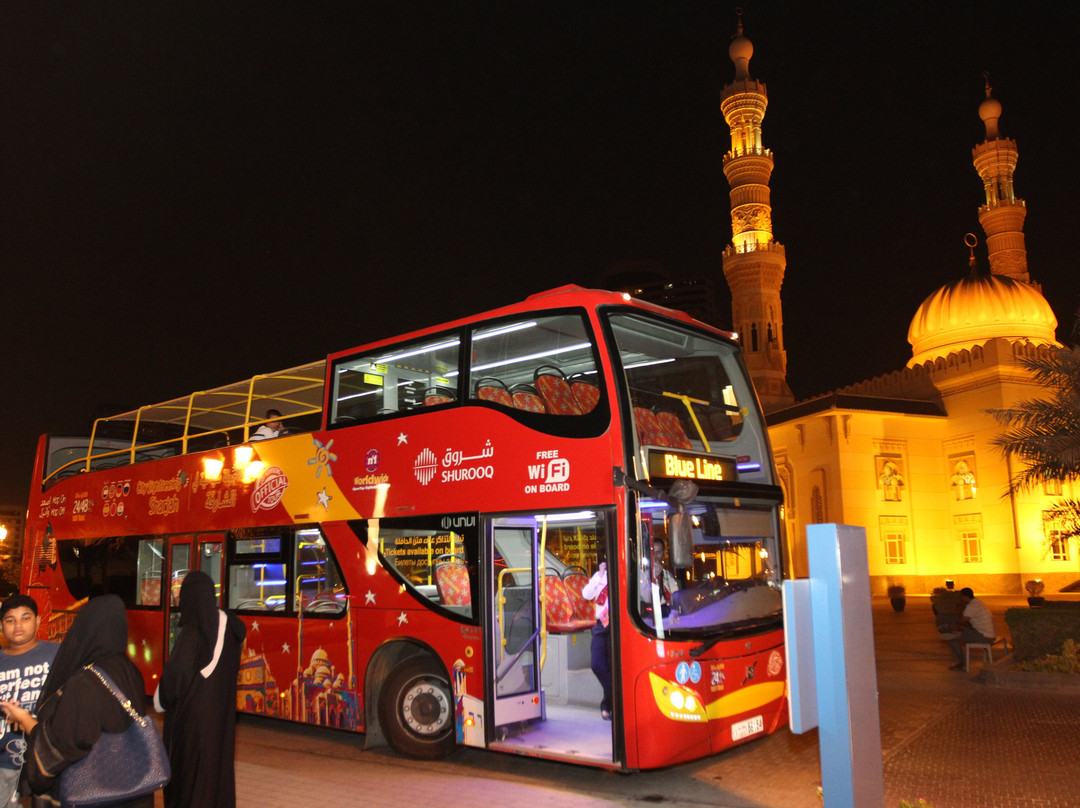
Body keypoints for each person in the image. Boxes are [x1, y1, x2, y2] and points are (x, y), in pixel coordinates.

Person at [1, 595, 155, 808]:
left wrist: (25, 720)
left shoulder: (86, 681)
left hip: (92, 791)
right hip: (127, 785)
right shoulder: (129, 671)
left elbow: (61, 746)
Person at [154, 571, 246, 808]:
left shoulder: (193, 630)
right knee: (215, 780)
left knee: (190, 785)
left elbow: (176, 676)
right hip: (220, 725)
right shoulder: (230, 631)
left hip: (191, 729)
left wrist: (161, 699)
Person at [0, 595, 59, 807]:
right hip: (5, 759)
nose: (18, 625)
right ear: (1, 625)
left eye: (25, 618)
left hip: (48, 756)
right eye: (10, 620)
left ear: (37, 621)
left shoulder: (57, 654)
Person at [580, 561, 612, 720]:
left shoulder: (629, 575)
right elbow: (586, 594)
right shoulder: (600, 577)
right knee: (597, 664)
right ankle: (617, 696)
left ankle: (607, 705)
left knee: (612, 666)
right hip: (601, 624)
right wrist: (598, 577)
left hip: (619, 625)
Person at [946, 587, 996, 671]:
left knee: (952, 638)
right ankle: (962, 662)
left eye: (961, 597)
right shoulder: (977, 602)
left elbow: (962, 621)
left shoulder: (971, 606)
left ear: (965, 597)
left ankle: (962, 663)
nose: (960, 599)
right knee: (960, 633)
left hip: (984, 636)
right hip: (989, 633)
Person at [639, 536, 679, 613]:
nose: (655, 555)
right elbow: (648, 598)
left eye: (659, 552)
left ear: (663, 553)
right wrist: (653, 576)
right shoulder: (642, 573)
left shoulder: (666, 574)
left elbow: (676, 595)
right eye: (653, 552)